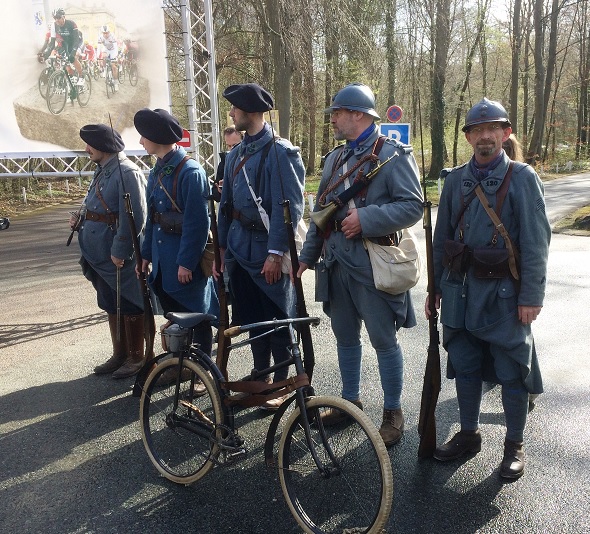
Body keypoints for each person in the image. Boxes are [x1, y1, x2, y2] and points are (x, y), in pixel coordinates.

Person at [426, 98, 551, 479]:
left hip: (504, 296)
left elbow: (535, 242)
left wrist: (531, 297)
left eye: (492, 129)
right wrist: (434, 288)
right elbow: (442, 236)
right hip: (460, 290)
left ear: (505, 133)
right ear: (467, 137)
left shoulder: (522, 178)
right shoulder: (456, 179)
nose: (484, 136)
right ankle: (468, 434)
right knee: (464, 364)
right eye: (476, 130)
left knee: (511, 369)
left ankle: (514, 444)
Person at [297, 83, 423, 446]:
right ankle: (350, 402)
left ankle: (393, 412)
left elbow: (413, 205)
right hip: (336, 262)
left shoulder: (393, 154)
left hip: (372, 263)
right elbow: (321, 213)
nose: (333, 118)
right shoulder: (335, 159)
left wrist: (366, 219)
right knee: (344, 336)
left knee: (384, 340)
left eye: (337, 112)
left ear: (358, 115)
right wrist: (306, 259)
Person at [215, 83, 305, 411]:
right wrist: (222, 250)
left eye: (235, 110)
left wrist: (275, 252)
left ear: (250, 112)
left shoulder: (280, 151)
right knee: (251, 319)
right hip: (239, 249)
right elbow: (225, 206)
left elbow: (290, 208)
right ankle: (261, 380)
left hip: (266, 251)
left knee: (277, 319)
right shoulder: (237, 153)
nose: (232, 115)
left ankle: (282, 383)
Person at [135, 108, 219, 375]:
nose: (140, 142)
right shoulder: (156, 171)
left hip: (184, 263)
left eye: (143, 137)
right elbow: (153, 219)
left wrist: (186, 263)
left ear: (156, 137)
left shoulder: (190, 172)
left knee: (198, 318)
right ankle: (181, 365)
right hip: (162, 262)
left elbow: (198, 223)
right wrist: (146, 255)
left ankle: (203, 371)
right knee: (174, 317)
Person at [70, 124, 148, 378]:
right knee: (109, 303)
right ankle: (120, 355)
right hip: (99, 254)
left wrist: (121, 249)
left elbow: (135, 215)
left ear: (102, 146)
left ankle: (136, 358)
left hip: (116, 254)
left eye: (89, 144)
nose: (86, 149)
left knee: (129, 302)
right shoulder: (104, 170)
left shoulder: (127, 172)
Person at [47, 8, 84, 82]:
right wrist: (47, 54)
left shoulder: (71, 23)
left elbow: (76, 40)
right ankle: (72, 78)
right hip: (67, 44)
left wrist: (73, 52)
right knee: (66, 63)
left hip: (77, 42)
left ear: (63, 17)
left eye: (58, 17)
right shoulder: (54, 26)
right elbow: (52, 43)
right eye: (55, 18)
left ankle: (81, 76)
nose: (56, 20)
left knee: (73, 57)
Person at [212, 126, 244, 202]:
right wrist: (221, 191)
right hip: (231, 210)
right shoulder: (224, 162)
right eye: (229, 146)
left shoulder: (252, 160)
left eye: (235, 145)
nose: (232, 149)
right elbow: (216, 195)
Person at [98, 24, 119, 91]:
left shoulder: (112, 36)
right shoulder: (100, 37)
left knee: (114, 67)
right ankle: (104, 69)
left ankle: (116, 83)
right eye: (104, 33)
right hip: (106, 49)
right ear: (102, 33)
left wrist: (115, 56)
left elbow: (116, 47)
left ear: (109, 32)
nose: (106, 34)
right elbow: (99, 48)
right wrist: (97, 56)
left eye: (107, 33)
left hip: (113, 50)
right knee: (103, 56)